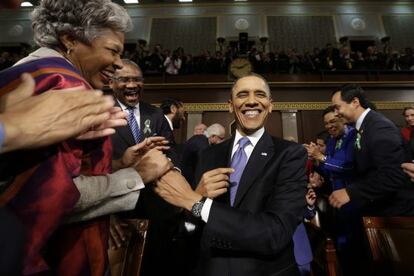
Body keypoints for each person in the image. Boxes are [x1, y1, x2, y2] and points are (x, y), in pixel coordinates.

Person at [0, 1, 135, 275]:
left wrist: (118, 164)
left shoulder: (22, 72)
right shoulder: (67, 86)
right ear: (70, 39)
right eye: (113, 51)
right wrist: (135, 176)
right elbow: (50, 195)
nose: (119, 64)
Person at [155, 73, 308, 276]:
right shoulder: (208, 155)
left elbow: (275, 233)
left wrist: (197, 202)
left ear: (270, 105)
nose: (252, 101)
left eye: (260, 94)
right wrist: (191, 210)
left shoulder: (291, 154)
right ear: (230, 105)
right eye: (243, 95)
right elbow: (191, 229)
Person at [330, 84, 414, 216]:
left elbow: (392, 175)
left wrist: (351, 192)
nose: (335, 113)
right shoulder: (365, 126)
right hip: (380, 206)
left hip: (395, 212)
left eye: (337, 107)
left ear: (355, 102)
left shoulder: (379, 127)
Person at [109, 59, 173, 160]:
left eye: (137, 79)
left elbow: (170, 150)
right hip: (115, 173)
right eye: (125, 80)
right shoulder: (103, 114)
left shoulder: (156, 114)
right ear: (111, 83)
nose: (132, 85)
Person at [181, 123, 226, 187]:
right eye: (221, 138)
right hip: (189, 181)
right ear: (213, 136)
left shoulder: (201, 140)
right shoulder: (202, 145)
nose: (223, 141)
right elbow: (202, 170)